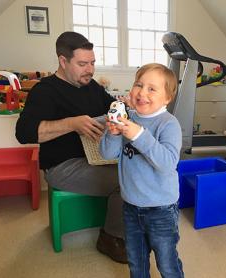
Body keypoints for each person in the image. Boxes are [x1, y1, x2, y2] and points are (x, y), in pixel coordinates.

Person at [15, 31, 127, 263]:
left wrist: (122, 106)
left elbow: (112, 107)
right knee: (127, 181)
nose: (90, 69)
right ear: (63, 61)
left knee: (137, 168)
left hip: (95, 157)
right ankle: (109, 237)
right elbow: (23, 133)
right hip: (62, 166)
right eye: (83, 64)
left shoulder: (91, 86)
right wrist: (71, 123)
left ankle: (125, 225)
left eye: (93, 63)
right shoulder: (44, 91)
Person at [100, 63, 184, 278]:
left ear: (167, 98)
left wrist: (139, 135)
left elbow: (167, 163)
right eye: (139, 85)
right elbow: (107, 154)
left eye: (152, 89)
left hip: (161, 208)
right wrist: (113, 133)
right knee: (136, 262)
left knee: (167, 262)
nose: (142, 93)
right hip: (130, 206)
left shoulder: (169, 124)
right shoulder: (129, 118)